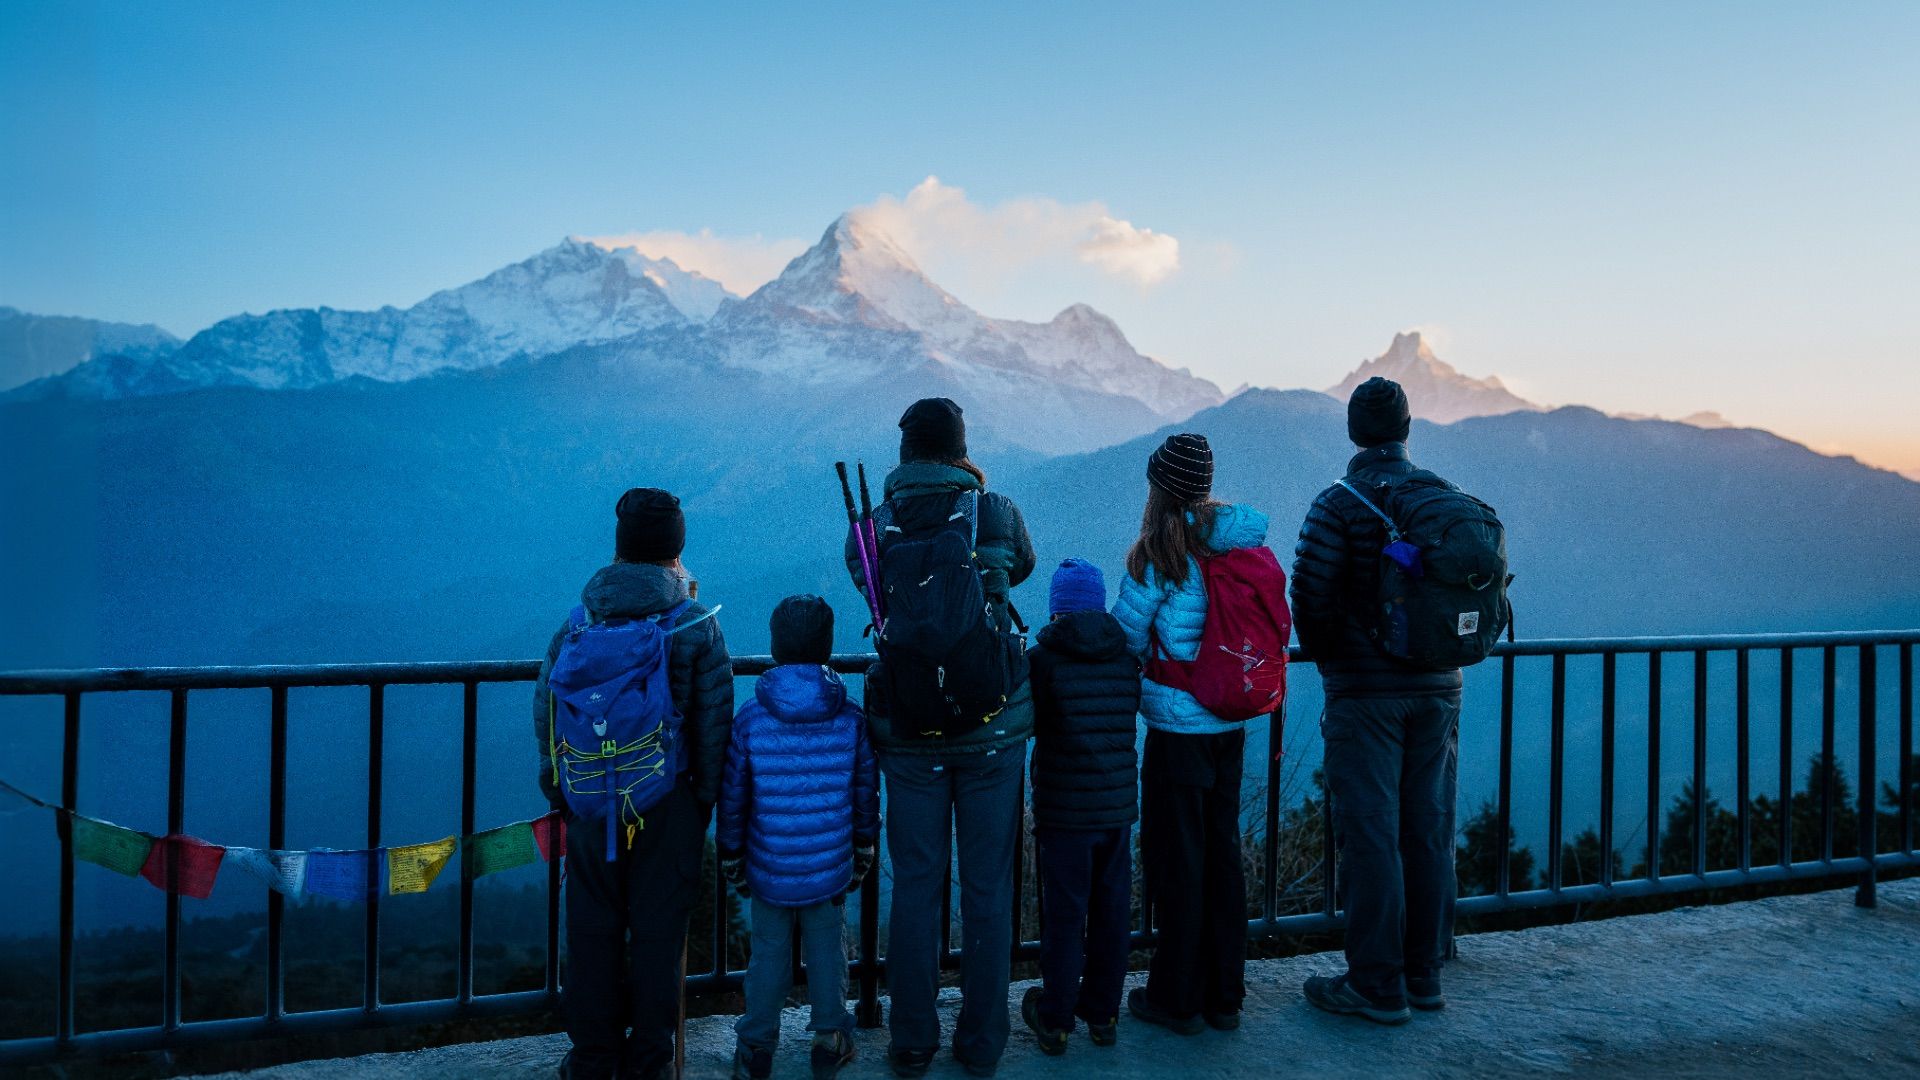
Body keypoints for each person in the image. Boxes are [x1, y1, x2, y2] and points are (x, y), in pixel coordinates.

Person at [845, 398, 1036, 1078]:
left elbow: (863, 579)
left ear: (904, 454)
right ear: (960, 448)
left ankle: (912, 1040)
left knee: (917, 886)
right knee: (987, 888)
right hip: (993, 728)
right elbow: (1023, 569)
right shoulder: (994, 510)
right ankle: (982, 1043)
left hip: (909, 732)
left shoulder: (871, 523)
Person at [534, 487, 734, 1080]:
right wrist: (700, 801)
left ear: (620, 548)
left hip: (592, 803)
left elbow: (547, 717)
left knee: (592, 934)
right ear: (676, 548)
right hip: (666, 803)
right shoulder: (694, 624)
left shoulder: (576, 624)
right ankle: (651, 1063)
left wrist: (563, 792)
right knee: (657, 937)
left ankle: (593, 1060)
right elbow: (713, 722)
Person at [1290, 376, 1461, 1025]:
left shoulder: (1339, 503)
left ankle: (1375, 983)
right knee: (1425, 831)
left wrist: (1338, 661)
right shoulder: (1439, 495)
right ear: (1407, 428)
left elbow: (1309, 594)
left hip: (1367, 696)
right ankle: (1424, 975)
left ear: (1354, 432)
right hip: (1440, 687)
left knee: (1370, 835)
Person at [1111, 433, 1271, 1035]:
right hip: (1230, 720)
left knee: (1179, 863)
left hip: (1178, 728)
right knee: (1222, 856)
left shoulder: (1159, 557)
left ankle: (1176, 998)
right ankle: (1224, 995)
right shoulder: (1238, 546)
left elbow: (1127, 637)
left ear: (1159, 489)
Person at [718, 595, 879, 1080]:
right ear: (829, 649)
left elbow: (733, 796)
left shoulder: (750, 720)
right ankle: (830, 1038)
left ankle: (756, 1045)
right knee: (829, 952)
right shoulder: (851, 719)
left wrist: (731, 854)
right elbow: (865, 792)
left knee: (768, 954)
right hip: (830, 867)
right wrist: (864, 846)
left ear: (773, 647)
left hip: (768, 867)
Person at [1020, 558, 1141, 1055]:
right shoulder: (1125, 656)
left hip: (1064, 811)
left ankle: (1056, 1018)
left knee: (1066, 916)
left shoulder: (1042, 660)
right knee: (1112, 912)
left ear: (1056, 611)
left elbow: (1028, 721)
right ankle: (1104, 1014)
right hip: (1115, 808)